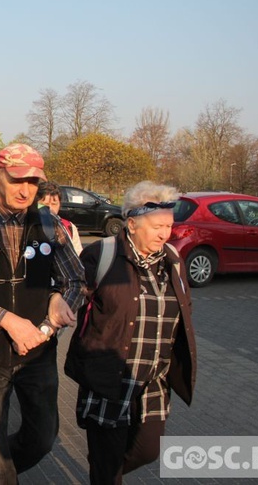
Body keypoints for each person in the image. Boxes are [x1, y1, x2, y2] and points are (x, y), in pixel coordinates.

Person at [0, 143, 86, 483]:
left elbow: (76, 280)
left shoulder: (47, 224)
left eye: (33, 183)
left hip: (37, 354)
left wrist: (49, 320)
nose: (26, 190)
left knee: (43, 437)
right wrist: (6, 321)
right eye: (17, 180)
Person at [67, 180, 196, 484]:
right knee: (108, 463)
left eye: (169, 226)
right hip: (110, 379)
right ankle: (104, 470)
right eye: (157, 226)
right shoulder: (102, 255)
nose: (165, 233)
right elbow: (71, 293)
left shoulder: (173, 262)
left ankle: (104, 469)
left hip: (154, 379)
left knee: (149, 449)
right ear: (133, 224)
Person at [38, 181, 83, 254]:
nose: (50, 209)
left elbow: (78, 256)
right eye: (45, 204)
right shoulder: (25, 225)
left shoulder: (69, 227)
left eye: (54, 204)